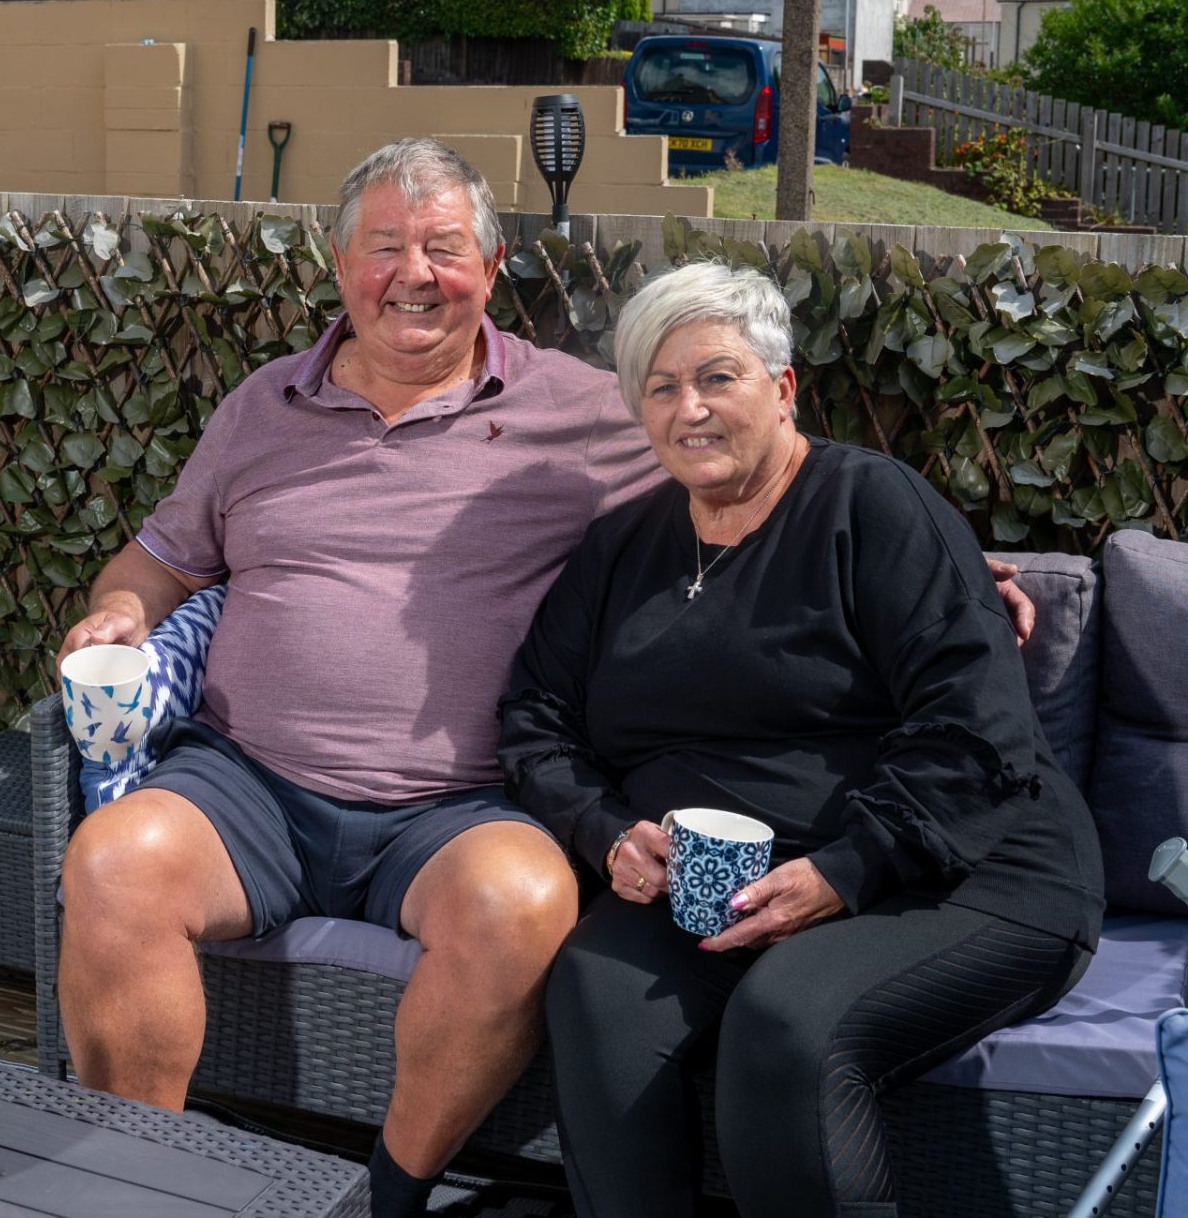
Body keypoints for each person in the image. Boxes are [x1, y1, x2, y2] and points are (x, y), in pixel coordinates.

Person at [56, 141, 1036, 1217]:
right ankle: (137, 1186)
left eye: (444, 247)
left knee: (523, 904)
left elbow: (744, 440)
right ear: (339, 264)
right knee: (112, 863)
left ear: (492, 263)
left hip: (463, 806)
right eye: (385, 246)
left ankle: (388, 1194)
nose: (413, 274)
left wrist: (948, 560)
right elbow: (161, 557)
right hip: (247, 781)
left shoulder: (581, 409)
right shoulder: (259, 407)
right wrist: (122, 607)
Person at [497, 260, 1103, 1218]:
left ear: (782, 389)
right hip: (724, 880)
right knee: (595, 992)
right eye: (660, 387)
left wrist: (847, 870)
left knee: (788, 1022)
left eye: (716, 377)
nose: (688, 407)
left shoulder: (873, 507)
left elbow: (977, 729)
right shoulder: (622, 548)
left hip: (958, 871)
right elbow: (536, 714)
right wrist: (604, 830)